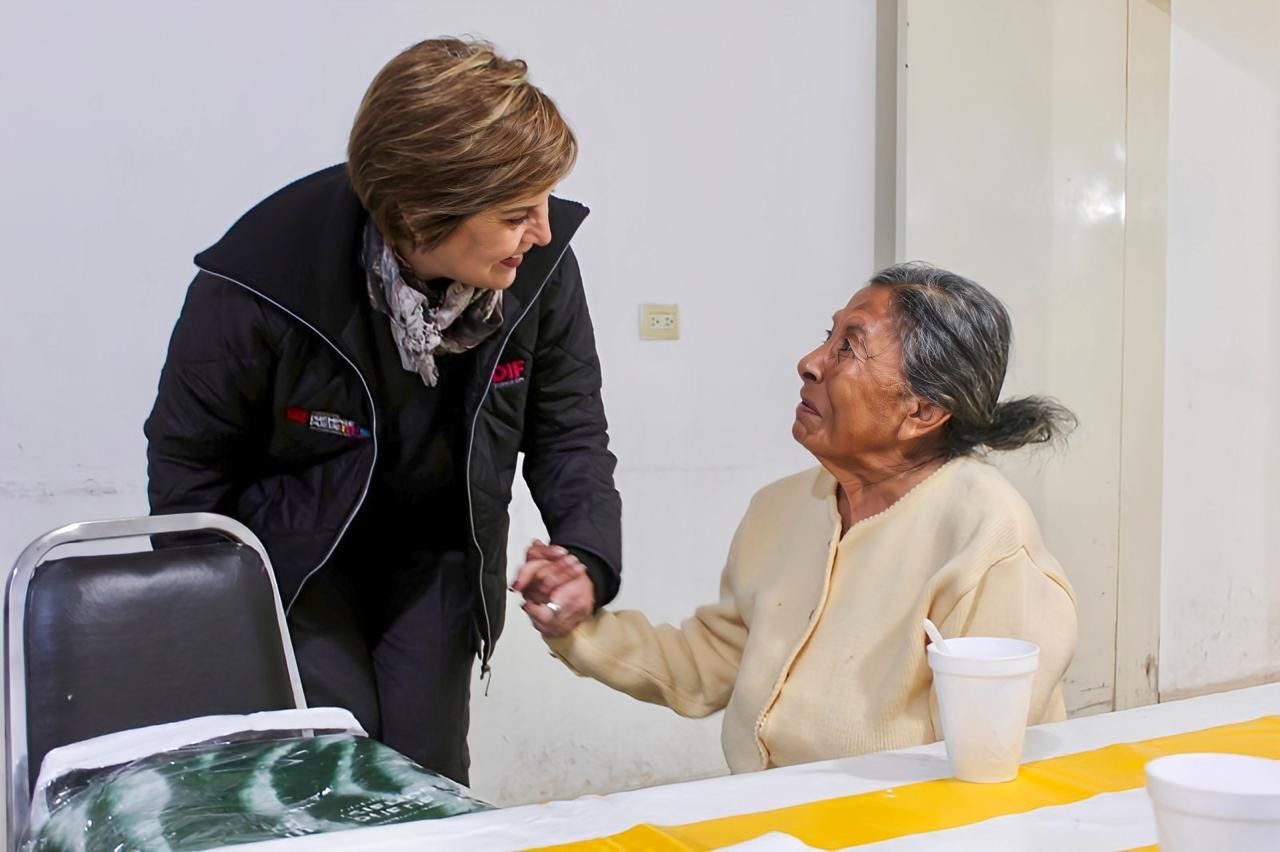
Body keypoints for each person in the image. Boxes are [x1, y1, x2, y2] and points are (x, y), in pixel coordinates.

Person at [145, 38, 620, 784]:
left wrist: (587, 555)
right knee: (331, 774)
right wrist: (212, 622)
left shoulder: (537, 271)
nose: (544, 231)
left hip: (437, 555)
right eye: (516, 213)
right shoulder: (261, 282)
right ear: (421, 214)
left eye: (544, 202)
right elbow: (189, 467)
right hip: (294, 566)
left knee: (426, 775)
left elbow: (569, 428)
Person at [519, 262, 1077, 773]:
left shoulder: (987, 536)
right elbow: (715, 662)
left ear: (923, 411)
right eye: (827, 336)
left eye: (848, 348)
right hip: (773, 819)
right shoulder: (781, 509)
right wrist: (575, 623)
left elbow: (985, 762)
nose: (809, 362)